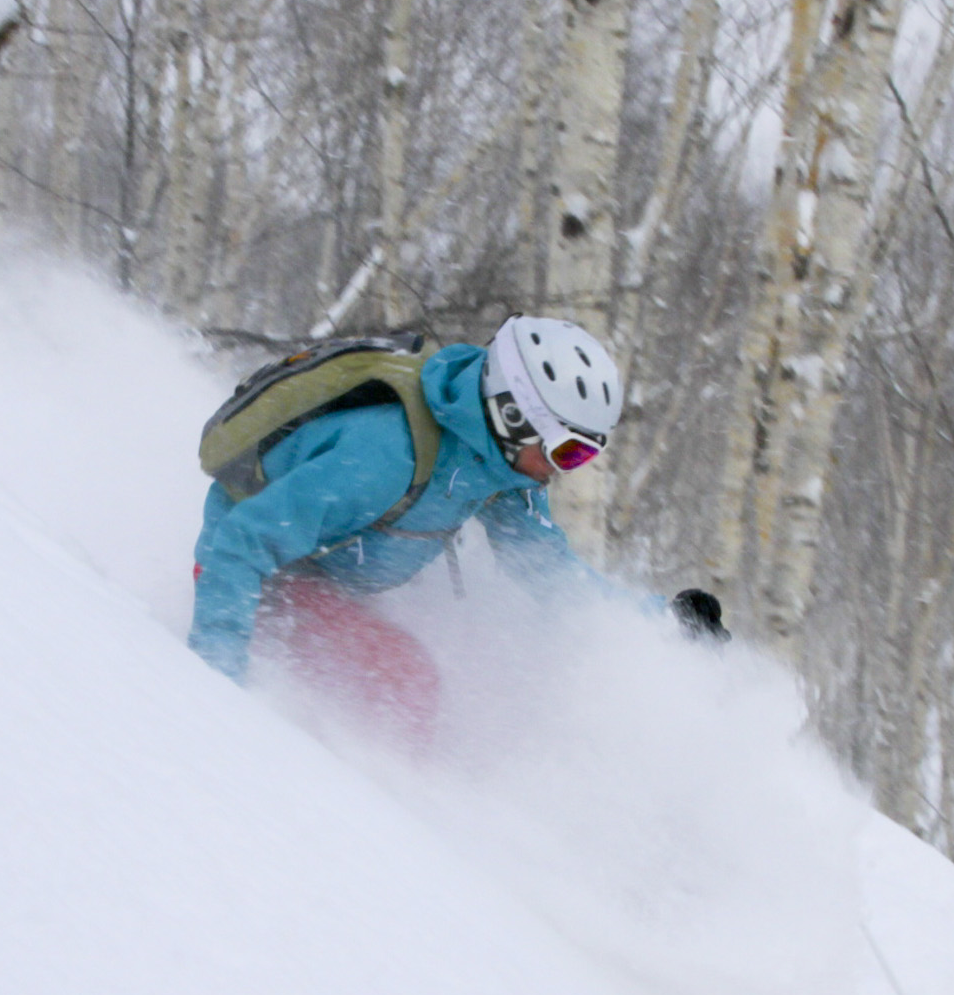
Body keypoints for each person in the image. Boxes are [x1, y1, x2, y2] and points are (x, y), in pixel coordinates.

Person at [189, 315, 719, 744]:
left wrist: (662, 625)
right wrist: (213, 686)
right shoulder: (385, 453)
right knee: (406, 683)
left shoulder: (502, 473)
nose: (565, 468)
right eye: (565, 450)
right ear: (513, 416)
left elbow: (552, 577)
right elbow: (243, 541)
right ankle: (373, 815)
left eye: (583, 454)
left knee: (482, 691)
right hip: (252, 575)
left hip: (330, 576)